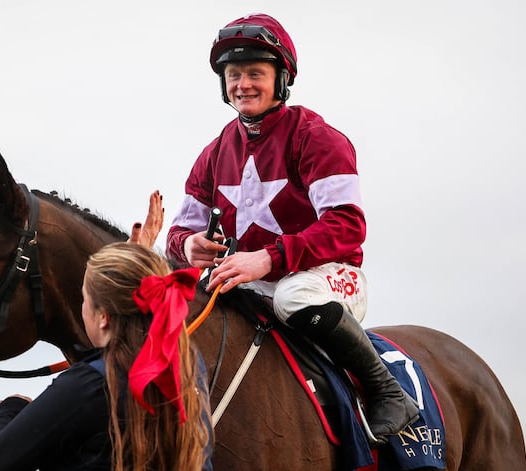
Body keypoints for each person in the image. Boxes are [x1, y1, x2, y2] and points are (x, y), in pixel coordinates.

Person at [166, 13, 418, 444]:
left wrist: (269, 258)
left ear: (281, 79)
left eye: (254, 74)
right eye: (233, 75)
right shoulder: (213, 153)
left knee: (291, 294)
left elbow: (347, 226)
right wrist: (189, 246)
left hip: (326, 278)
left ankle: (385, 390)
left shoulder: (318, 138)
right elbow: (178, 232)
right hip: (246, 286)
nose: (242, 84)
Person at [0, 242, 213, 470]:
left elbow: (1, 456)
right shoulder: (189, 366)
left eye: (84, 299)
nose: (83, 308)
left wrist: (10, 407)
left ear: (103, 317)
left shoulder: (92, 383)